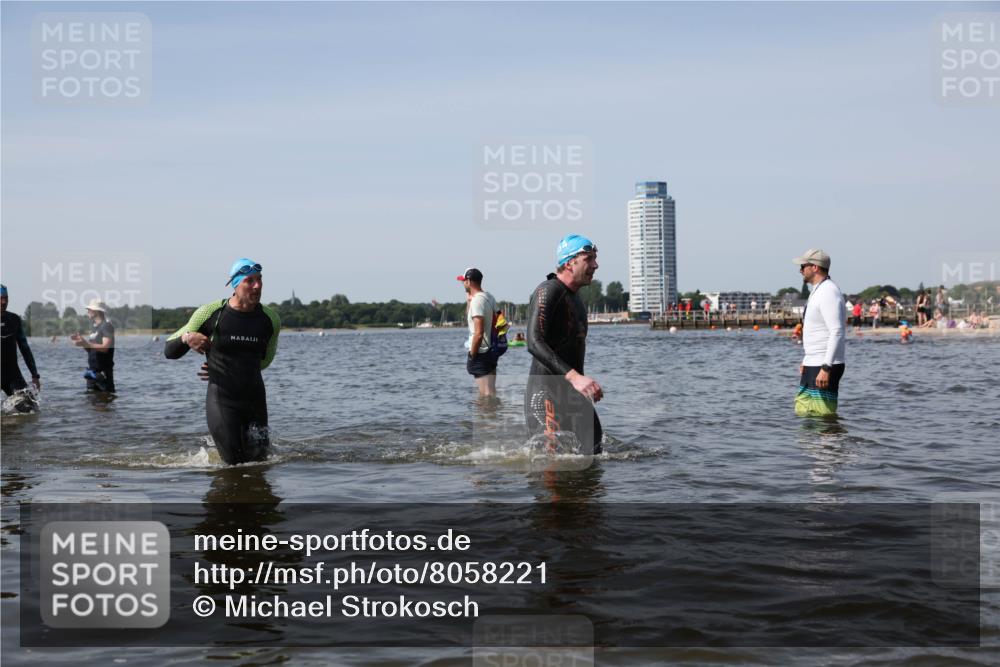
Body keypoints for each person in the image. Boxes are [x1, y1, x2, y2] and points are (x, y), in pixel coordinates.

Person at [164, 258, 280, 465]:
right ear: (235, 285)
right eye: (250, 281)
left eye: (260, 280)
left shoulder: (270, 319)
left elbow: (265, 361)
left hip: (256, 401)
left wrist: (230, 366)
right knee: (235, 465)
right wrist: (187, 337)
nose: (257, 286)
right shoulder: (211, 313)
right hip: (223, 402)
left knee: (262, 464)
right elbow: (169, 351)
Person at [524, 234, 603, 454]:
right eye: (589, 259)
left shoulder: (575, 298)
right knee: (552, 469)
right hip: (547, 394)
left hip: (573, 394)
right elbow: (533, 342)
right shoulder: (548, 291)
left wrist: (582, 383)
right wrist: (575, 377)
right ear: (569, 263)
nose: (595, 265)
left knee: (595, 452)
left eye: (595, 258)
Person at [793, 249, 846, 417]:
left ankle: (832, 444)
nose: (800, 270)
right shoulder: (817, 290)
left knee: (823, 420)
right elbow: (816, 330)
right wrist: (807, 360)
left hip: (825, 365)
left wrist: (826, 367)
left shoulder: (828, 291)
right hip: (813, 362)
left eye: (803, 266)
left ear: (815, 267)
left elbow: (836, 331)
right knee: (803, 414)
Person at [457, 267, 499, 397]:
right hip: (492, 351)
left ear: (469, 281)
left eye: (464, 281)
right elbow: (500, 321)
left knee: (485, 394)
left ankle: (485, 416)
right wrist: (469, 300)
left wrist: (472, 355)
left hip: (481, 352)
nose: (463, 284)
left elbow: (478, 333)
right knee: (491, 392)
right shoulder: (489, 297)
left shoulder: (477, 301)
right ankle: (493, 416)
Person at [1, 284, 41, 396]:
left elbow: (25, 348)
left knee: (28, 407)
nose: (4, 302)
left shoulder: (14, 320)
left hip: (12, 373)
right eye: (0, 298)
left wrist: (35, 375)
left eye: (6, 298)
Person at [70, 299, 116, 393]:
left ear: (95, 311)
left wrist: (86, 343)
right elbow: (92, 350)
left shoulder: (107, 326)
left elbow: (105, 348)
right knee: (91, 405)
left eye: (89, 309)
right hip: (92, 374)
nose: (87, 311)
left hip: (103, 374)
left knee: (104, 404)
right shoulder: (95, 327)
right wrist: (83, 343)